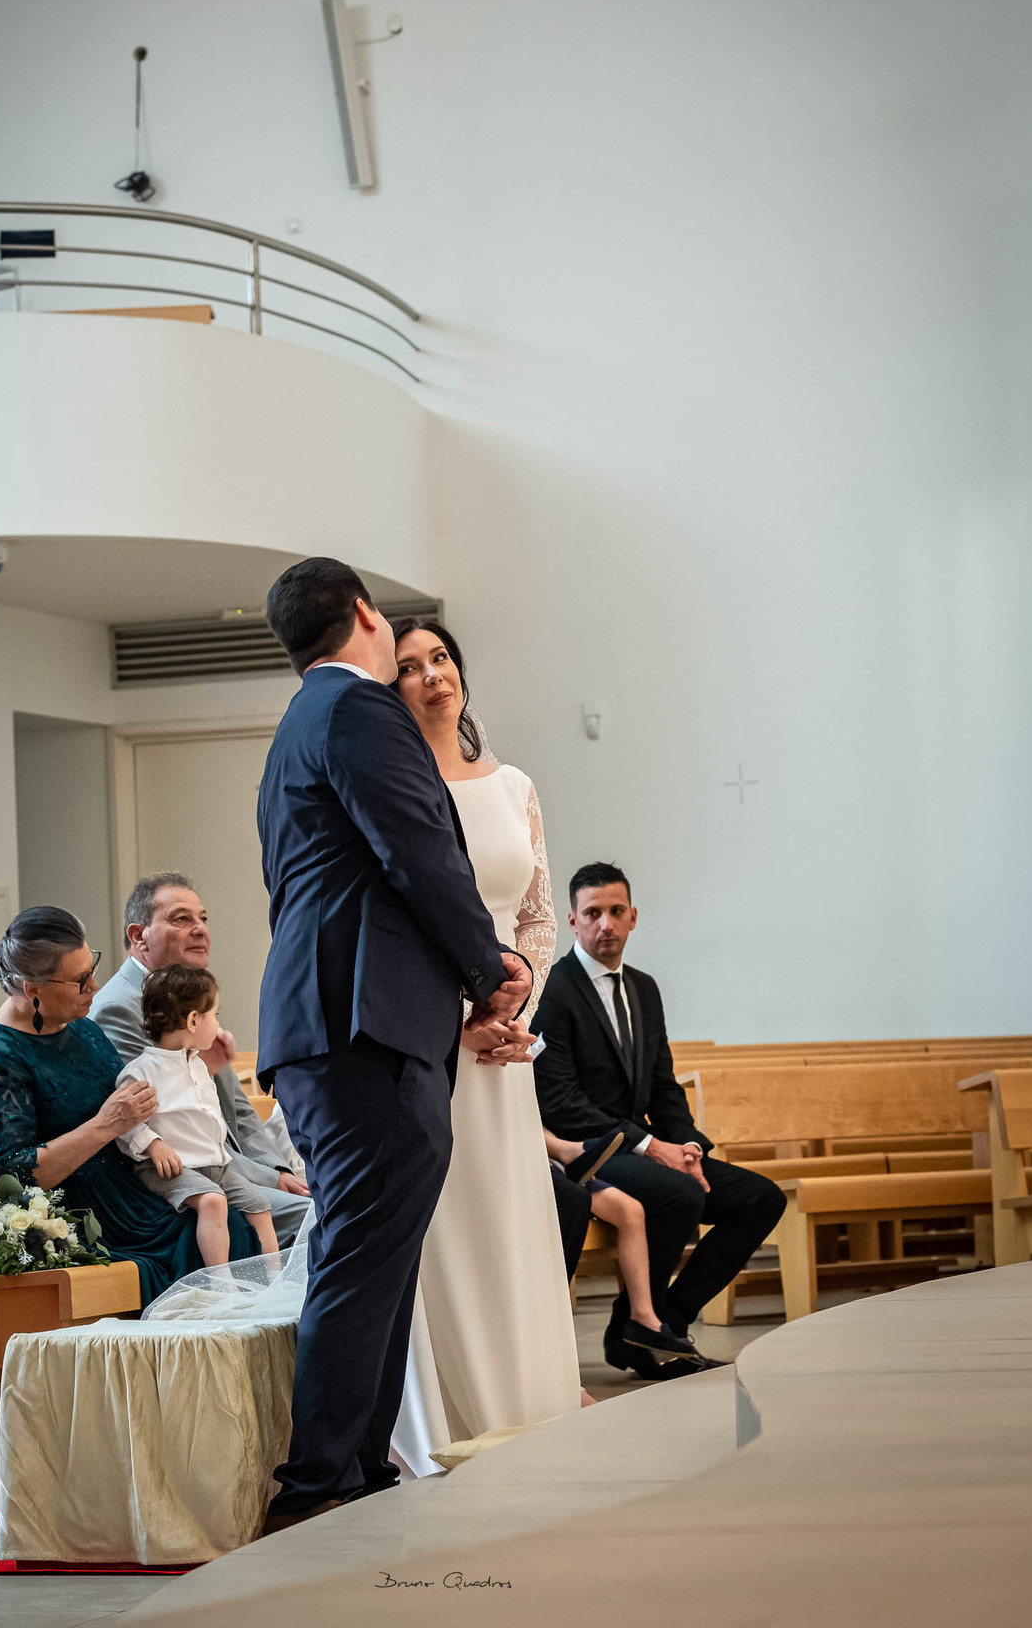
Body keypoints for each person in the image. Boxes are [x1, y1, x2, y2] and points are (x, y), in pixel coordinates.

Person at [257, 557, 533, 1532]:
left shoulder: (299, 724)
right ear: (366, 616)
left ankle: (359, 1473)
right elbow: (417, 850)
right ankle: (316, 1487)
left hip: (337, 1022)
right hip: (360, 1029)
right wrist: (490, 968)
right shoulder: (357, 709)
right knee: (359, 1255)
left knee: (377, 1255)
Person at [387, 619, 581, 1474]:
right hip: (433, 1036)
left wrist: (515, 999)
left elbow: (535, 917)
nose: (433, 676)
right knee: (450, 1219)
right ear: (390, 690)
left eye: (441, 659)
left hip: (504, 1042)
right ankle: (454, 1414)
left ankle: (530, 1398)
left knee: (511, 1214)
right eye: (409, 668)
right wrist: (458, 1015)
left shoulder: (514, 786)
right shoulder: (395, 790)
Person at [533, 863, 786, 1378]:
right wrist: (652, 1147)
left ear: (633, 917)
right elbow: (560, 1101)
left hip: (642, 1147)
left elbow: (664, 1086)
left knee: (761, 1199)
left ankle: (663, 1321)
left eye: (616, 911)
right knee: (680, 1195)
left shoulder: (644, 988)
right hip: (585, 1150)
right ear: (573, 921)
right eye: (593, 913)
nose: (605, 924)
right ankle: (641, 1334)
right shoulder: (553, 989)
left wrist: (688, 1147)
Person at [0, 907, 258, 1308]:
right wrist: (104, 1126)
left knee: (235, 1224)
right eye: (81, 980)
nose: (95, 986)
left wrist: (197, 1068)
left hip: (134, 1193)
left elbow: (137, 1106)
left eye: (92, 969)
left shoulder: (84, 1031)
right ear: (33, 989)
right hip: (82, 1218)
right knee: (199, 1244)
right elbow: (16, 1176)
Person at [89, 872, 310, 1248]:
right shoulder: (120, 1007)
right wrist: (271, 1180)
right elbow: (172, 1125)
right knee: (323, 1219)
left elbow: (238, 1111)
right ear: (138, 935)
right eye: (181, 918)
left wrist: (278, 1169)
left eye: (202, 918)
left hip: (232, 1167)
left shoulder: (188, 993)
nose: (200, 929)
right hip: (184, 1175)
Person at [115, 963, 280, 1263]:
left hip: (215, 1164)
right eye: (214, 1015)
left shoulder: (198, 1064)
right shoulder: (142, 1071)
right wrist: (153, 1144)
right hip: (172, 1169)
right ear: (193, 1020)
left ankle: (273, 1276)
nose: (217, 1024)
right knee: (213, 1201)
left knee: (259, 1205)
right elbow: (125, 1122)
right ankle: (220, 1279)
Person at [544, 1129, 696, 1359]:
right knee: (573, 1201)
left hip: (554, 1162)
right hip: (534, 1164)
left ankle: (643, 1317)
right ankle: (570, 1153)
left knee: (630, 1210)